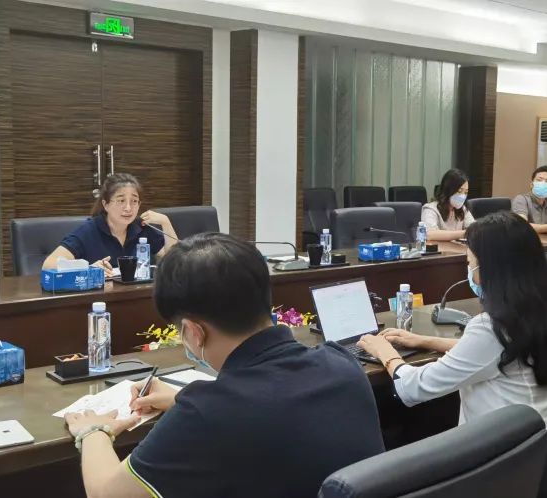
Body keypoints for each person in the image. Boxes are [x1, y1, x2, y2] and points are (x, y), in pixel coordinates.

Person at [62, 233, 384, 498]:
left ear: (194, 332)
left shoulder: (206, 414)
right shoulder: (342, 365)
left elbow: (107, 493)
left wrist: (93, 431)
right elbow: (269, 403)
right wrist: (181, 398)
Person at [357, 211, 547, 432]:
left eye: (470, 263)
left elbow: (415, 387)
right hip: (541, 441)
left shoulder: (492, 326)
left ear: (490, 269)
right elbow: (503, 352)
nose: (469, 270)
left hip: (506, 452)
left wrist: (385, 353)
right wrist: (424, 341)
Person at [42, 173, 179, 273]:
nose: (128, 208)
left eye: (134, 201)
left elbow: (175, 260)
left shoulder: (142, 227)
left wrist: (165, 222)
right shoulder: (89, 230)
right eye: (121, 201)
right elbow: (49, 265)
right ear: (105, 204)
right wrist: (89, 268)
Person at [421, 169, 475, 241]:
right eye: (459, 191)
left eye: (465, 192)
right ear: (448, 190)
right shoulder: (430, 209)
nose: (463, 196)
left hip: (457, 248)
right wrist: (464, 233)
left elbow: (475, 229)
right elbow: (429, 234)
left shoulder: (463, 209)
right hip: (439, 248)